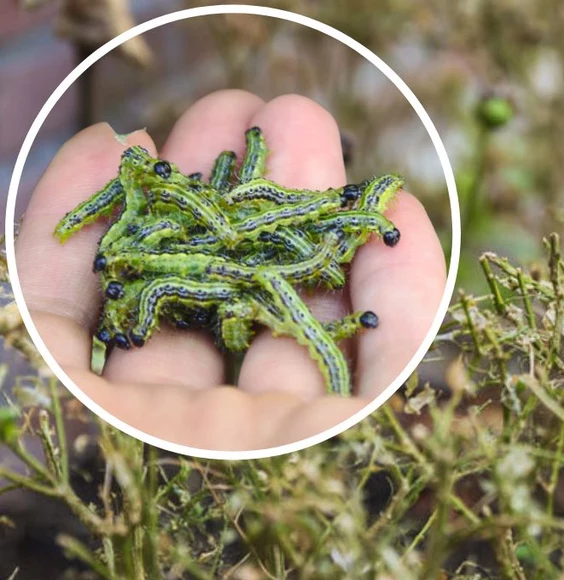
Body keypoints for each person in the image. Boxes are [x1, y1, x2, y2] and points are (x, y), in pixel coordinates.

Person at [14, 90, 448, 452]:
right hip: (217, 269)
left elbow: (246, 244)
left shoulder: (272, 245)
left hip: (254, 265)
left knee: (268, 267)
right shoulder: (154, 241)